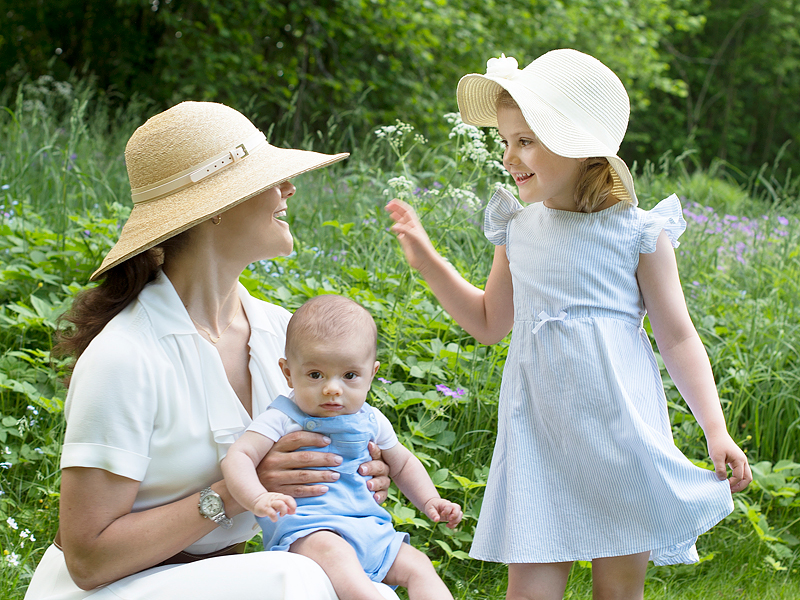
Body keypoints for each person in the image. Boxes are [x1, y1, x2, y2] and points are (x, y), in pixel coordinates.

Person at [386, 49, 753, 600]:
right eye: (505, 141)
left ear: (577, 146)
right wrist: (427, 261)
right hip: (538, 436)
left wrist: (715, 428)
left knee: (617, 592)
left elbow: (677, 337)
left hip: (619, 435)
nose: (509, 156)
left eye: (525, 140)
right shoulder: (518, 229)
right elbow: (488, 322)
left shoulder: (638, 233)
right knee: (529, 591)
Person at [24, 101, 399, 600]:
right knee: (299, 579)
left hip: (221, 583)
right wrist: (239, 491)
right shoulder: (125, 357)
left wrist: (353, 474)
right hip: (103, 591)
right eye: (269, 178)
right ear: (216, 206)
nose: (288, 188)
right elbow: (88, 561)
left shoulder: (283, 334)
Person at [222, 294, 463, 600]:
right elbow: (238, 456)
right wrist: (257, 497)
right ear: (288, 373)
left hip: (370, 527)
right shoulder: (283, 418)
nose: (332, 388)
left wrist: (431, 499)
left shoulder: (373, 419)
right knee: (339, 558)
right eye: (315, 375)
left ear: (372, 374)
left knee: (419, 566)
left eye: (349, 375)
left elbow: (402, 464)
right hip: (311, 530)